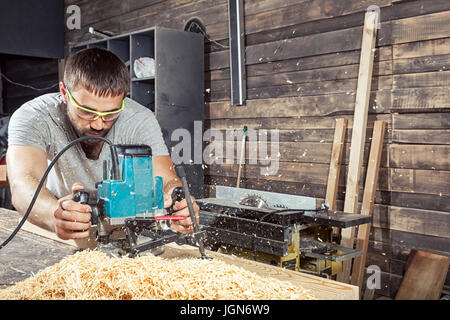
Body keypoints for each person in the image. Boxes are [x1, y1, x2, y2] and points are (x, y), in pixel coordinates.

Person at [6, 48, 199, 242]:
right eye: (86, 111)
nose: (98, 124)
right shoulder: (35, 116)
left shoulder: (139, 119)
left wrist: (177, 198)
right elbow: (23, 183)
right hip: (59, 219)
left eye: (110, 114)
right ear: (65, 92)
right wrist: (53, 214)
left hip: (121, 225)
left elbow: (166, 178)